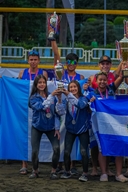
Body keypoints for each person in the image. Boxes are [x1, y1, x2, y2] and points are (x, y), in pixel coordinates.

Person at [87, 71, 128, 182]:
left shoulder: (111, 89)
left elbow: (120, 77)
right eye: (100, 80)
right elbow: (87, 109)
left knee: (118, 148)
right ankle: (103, 173)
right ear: (96, 81)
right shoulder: (92, 94)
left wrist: (124, 65)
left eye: (104, 80)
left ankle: (118, 174)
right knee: (102, 148)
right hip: (101, 127)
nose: (102, 82)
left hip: (114, 125)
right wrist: (90, 103)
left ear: (107, 81)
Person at [51, 40, 84, 175]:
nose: (71, 65)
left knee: (73, 138)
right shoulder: (60, 73)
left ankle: (73, 163)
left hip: (75, 110)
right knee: (61, 137)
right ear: (65, 64)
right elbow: (56, 56)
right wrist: (53, 40)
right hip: (62, 109)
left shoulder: (80, 77)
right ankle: (60, 163)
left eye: (74, 62)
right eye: (69, 62)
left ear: (77, 64)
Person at [18, 50, 48, 175]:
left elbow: (45, 87)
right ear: (28, 60)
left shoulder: (43, 73)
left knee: (37, 138)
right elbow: (18, 88)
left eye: (35, 59)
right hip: (25, 107)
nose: (33, 61)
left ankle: (36, 165)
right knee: (24, 134)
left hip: (39, 107)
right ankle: (24, 164)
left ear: (39, 60)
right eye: (31, 59)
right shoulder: (22, 72)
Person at [28, 75, 62, 179]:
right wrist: (51, 96)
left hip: (51, 127)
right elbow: (41, 107)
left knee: (56, 148)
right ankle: (35, 170)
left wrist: (57, 128)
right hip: (37, 126)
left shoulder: (51, 96)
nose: (42, 84)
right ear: (36, 85)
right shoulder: (33, 97)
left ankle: (53, 171)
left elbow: (57, 113)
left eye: (43, 82)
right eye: (39, 83)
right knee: (34, 151)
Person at [58, 80, 91, 182]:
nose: (73, 89)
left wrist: (68, 95)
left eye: (74, 87)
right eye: (71, 87)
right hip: (71, 129)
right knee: (67, 151)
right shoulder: (66, 100)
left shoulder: (84, 99)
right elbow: (60, 111)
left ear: (78, 88)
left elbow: (80, 105)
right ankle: (67, 171)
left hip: (82, 129)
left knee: (83, 152)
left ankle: (85, 173)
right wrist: (59, 100)